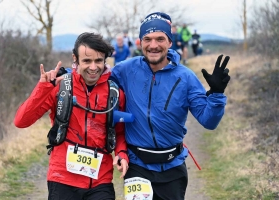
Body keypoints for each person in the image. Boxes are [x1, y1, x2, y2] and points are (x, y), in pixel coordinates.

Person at [110, 12, 230, 200]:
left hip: (172, 168)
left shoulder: (186, 77)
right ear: (140, 42)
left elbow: (209, 121)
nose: (153, 45)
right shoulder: (125, 69)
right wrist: (62, 75)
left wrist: (216, 94)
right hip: (137, 166)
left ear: (170, 42)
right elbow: (93, 75)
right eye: (147, 39)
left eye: (160, 39)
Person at [14, 32, 129, 200]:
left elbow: (119, 132)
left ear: (105, 60)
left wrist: (121, 154)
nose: (93, 67)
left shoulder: (115, 93)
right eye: (87, 61)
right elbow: (21, 121)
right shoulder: (60, 86)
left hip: (100, 181)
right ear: (75, 59)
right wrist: (43, 87)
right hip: (62, 179)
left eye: (98, 61)